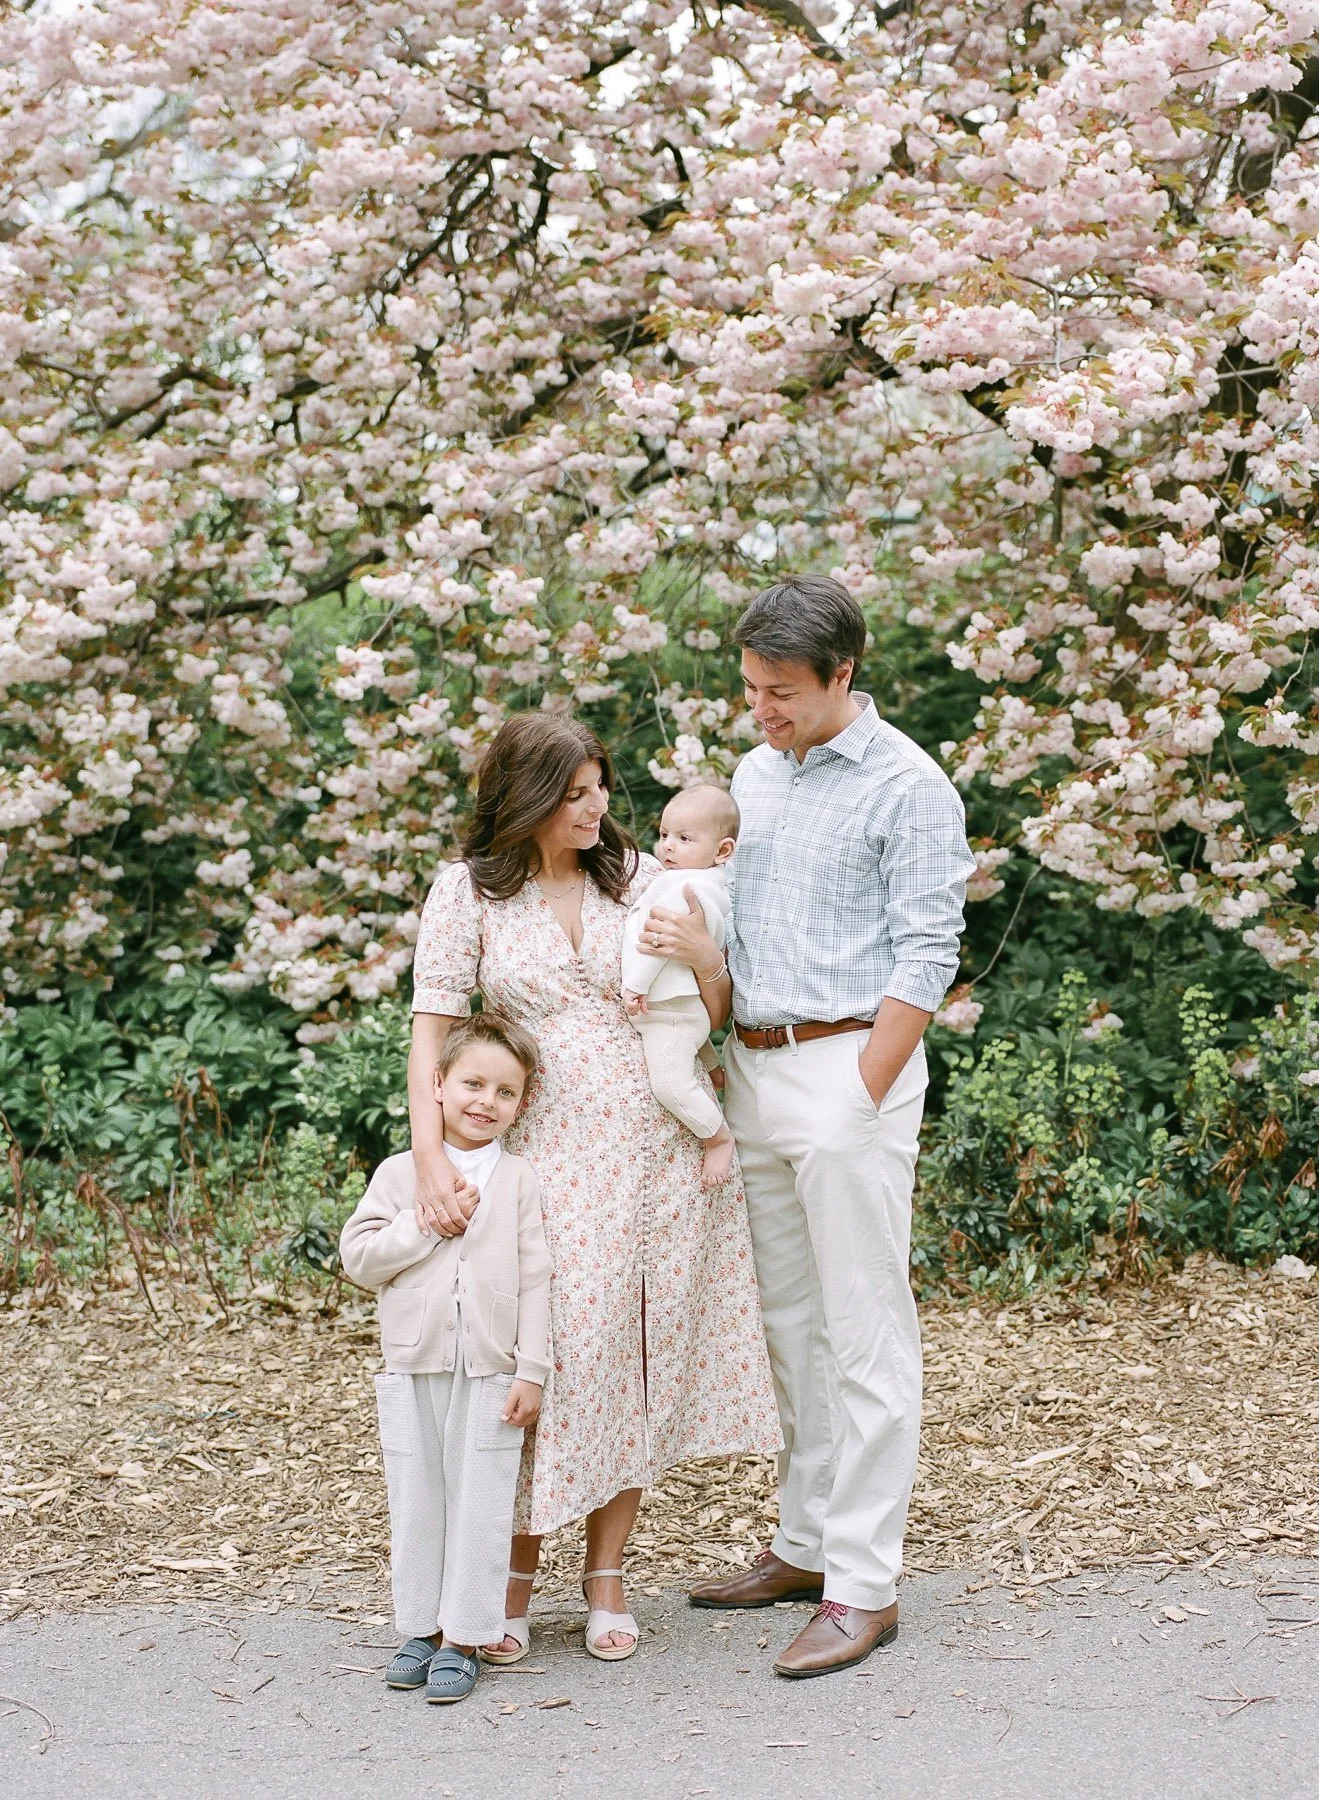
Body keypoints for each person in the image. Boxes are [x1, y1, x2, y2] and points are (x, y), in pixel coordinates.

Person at [408, 712, 781, 1665]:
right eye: (576, 794)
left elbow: (713, 1009)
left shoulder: (646, 879)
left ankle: (608, 1573)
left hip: (659, 1146)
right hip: (543, 1156)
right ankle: (514, 1569)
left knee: (636, 1350)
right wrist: (430, 1156)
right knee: (543, 1357)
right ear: (527, 797)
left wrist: (708, 965)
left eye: (601, 788)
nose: (599, 807)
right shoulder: (470, 893)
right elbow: (430, 1034)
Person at [689, 573, 976, 1680]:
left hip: (846, 1070)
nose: (761, 710)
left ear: (842, 676)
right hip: (754, 1070)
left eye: (781, 692)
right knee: (790, 1326)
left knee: (864, 1335)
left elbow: (926, 952)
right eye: (751, 688)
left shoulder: (910, 787)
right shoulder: (757, 774)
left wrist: (863, 1086)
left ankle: (864, 1582)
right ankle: (804, 1543)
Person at [339, 1012, 551, 1706]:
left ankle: (465, 1636)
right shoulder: (402, 1174)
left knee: (482, 1503)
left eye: (504, 1092)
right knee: (418, 1497)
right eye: (472, 1084)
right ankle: (420, 1630)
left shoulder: (517, 1179)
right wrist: (423, 1223)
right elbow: (360, 1260)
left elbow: (535, 1276)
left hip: (491, 1367)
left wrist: (531, 1368)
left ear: (521, 1103)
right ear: (437, 1085)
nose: (485, 1102)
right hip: (414, 1362)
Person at [621, 783, 738, 1190]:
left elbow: (657, 939)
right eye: (666, 834)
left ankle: (717, 1137)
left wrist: (634, 985)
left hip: (669, 1007)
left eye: (685, 839)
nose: (668, 846)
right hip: (680, 1006)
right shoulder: (698, 882)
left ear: (722, 851)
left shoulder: (690, 888)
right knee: (683, 1038)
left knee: (669, 1083)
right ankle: (712, 1068)